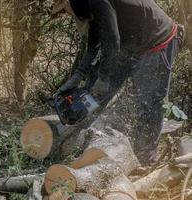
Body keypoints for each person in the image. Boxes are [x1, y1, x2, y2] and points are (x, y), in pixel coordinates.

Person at [51, 0, 185, 164]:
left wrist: (104, 77)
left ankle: (145, 159)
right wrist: (77, 77)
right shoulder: (92, 8)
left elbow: (112, 39)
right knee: (95, 91)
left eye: (65, 10)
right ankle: (75, 138)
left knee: (148, 102)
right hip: (130, 44)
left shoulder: (98, 2)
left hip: (158, 40)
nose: (67, 15)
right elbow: (93, 46)